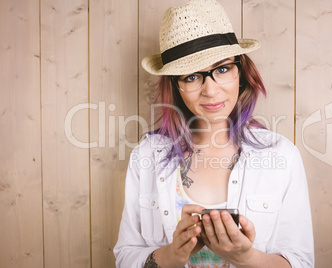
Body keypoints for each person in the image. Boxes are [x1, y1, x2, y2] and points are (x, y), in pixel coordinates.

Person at [114, 0, 314, 267]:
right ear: (176, 86)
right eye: (192, 77)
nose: (210, 90)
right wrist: (171, 255)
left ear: (241, 73)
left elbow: (301, 262)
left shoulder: (282, 155)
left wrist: (246, 257)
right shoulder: (147, 155)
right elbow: (126, 256)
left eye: (222, 69)